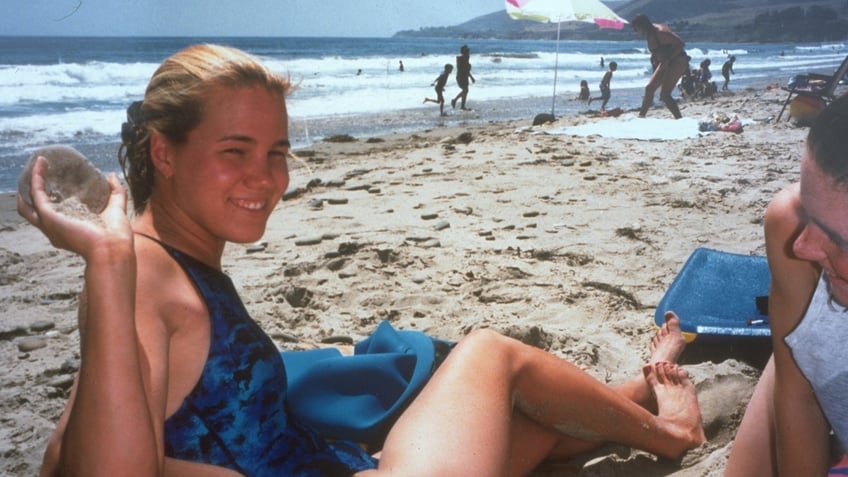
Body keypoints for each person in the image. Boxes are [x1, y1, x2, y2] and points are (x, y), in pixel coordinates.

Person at [22, 44, 706, 477]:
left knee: (527, 423)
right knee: (491, 355)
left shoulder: (152, 265)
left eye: (277, 153)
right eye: (235, 151)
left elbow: (63, 454)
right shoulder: (139, 275)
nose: (266, 178)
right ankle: (671, 435)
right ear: (164, 153)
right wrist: (106, 261)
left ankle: (644, 388)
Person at [724, 93, 848, 476]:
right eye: (806, 209)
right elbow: (797, 395)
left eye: (837, 239)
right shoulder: (787, 225)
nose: (801, 246)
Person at [631, 14, 689, 119]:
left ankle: (679, 118)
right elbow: (658, 50)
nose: (635, 32)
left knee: (665, 94)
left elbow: (680, 43)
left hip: (677, 61)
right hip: (664, 63)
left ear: (642, 26)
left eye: (636, 29)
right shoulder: (649, 33)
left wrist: (668, 58)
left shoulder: (660, 32)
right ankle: (641, 116)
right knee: (649, 89)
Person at [451, 44, 476, 111]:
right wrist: (471, 77)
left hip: (464, 76)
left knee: (466, 91)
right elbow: (464, 69)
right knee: (465, 90)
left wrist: (470, 76)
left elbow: (466, 69)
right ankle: (455, 100)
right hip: (461, 76)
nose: (468, 52)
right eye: (467, 51)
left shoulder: (465, 58)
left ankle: (462, 106)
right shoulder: (461, 58)